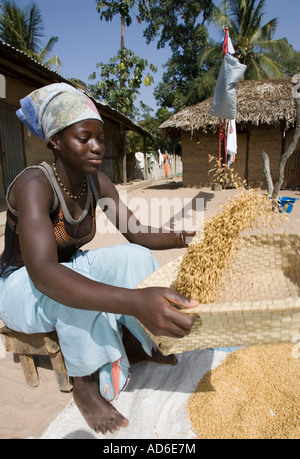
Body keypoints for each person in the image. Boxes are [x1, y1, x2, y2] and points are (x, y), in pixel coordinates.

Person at [0, 83, 197, 435]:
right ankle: (84, 383)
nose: (96, 147)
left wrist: (186, 236)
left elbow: (136, 233)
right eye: (83, 138)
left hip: (65, 266)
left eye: (100, 138)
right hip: (21, 284)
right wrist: (135, 300)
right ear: (56, 141)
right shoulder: (35, 185)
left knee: (132, 257)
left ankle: (137, 343)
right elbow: (45, 274)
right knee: (72, 289)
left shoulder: (97, 183)